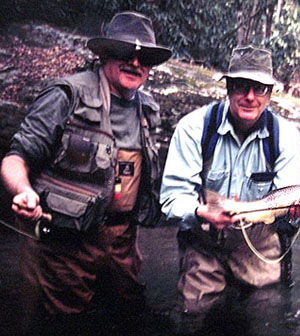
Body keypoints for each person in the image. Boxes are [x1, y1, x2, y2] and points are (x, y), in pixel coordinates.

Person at [0, 11, 171, 333]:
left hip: (122, 245)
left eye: (144, 57)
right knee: (65, 325)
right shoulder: (66, 95)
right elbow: (16, 157)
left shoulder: (148, 109)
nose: (135, 63)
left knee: (126, 318)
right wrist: (23, 191)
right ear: (103, 54)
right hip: (64, 247)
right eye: (124, 53)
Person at [160, 45, 300, 319]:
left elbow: (284, 206)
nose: (250, 97)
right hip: (205, 241)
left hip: (259, 247)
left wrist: (296, 211)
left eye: (260, 88)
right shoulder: (194, 128)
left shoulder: (287, 137)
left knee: (264, 314)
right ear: (228, 88)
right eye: (241, 86)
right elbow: (171, 198)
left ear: (270, 93)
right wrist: (199, 211)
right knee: (192, 315)